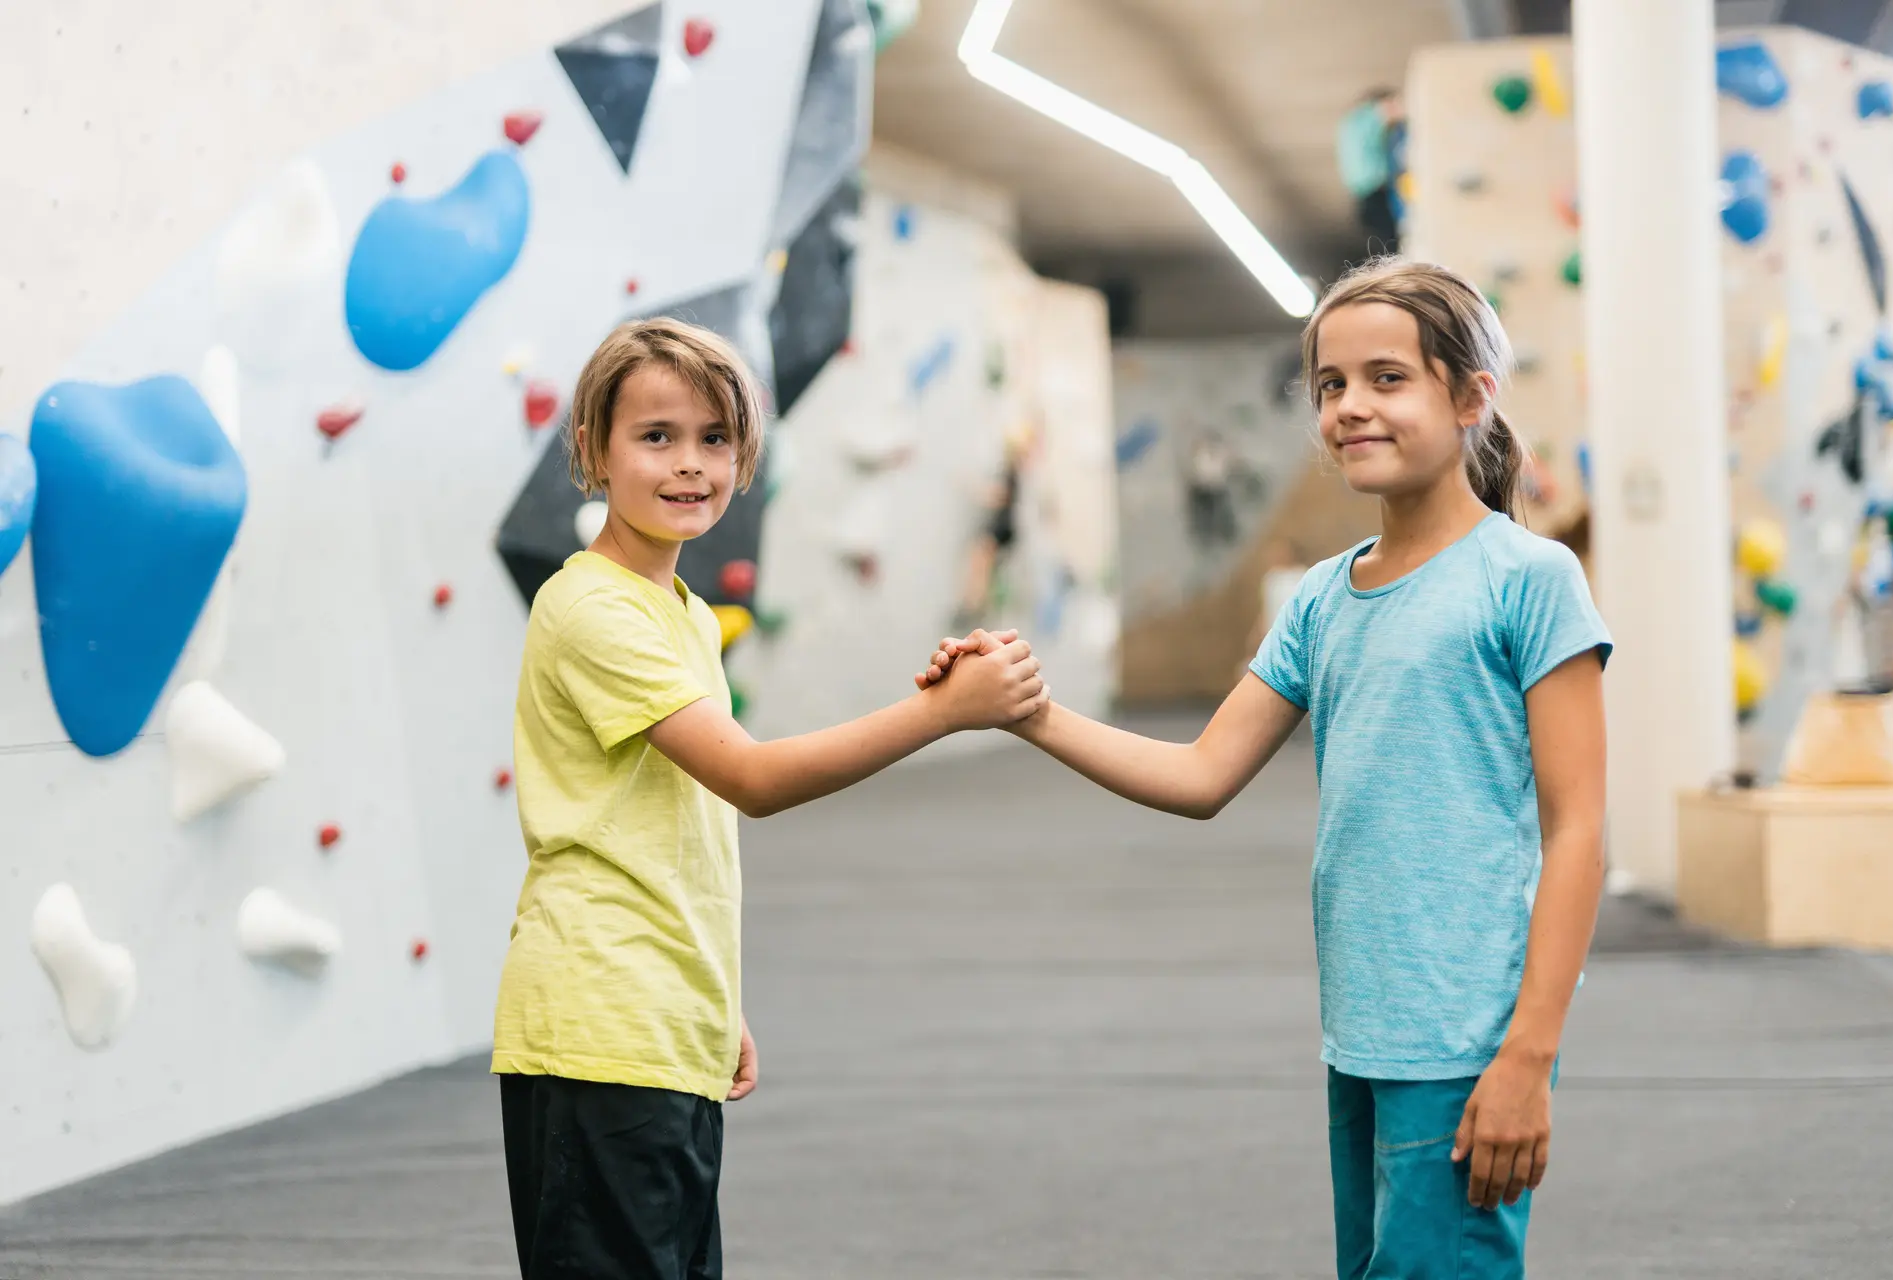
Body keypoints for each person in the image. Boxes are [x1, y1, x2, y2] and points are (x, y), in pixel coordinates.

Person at [922, 258, 1610, 1278]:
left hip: (1464, 1043)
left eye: (1387, 378)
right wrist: (1027, 712)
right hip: (1361, 1036)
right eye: (1331, 385)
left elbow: (1580, 829)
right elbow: (1202, 774)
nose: (1350, 407)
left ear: (1472, 396)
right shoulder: (1323, 599)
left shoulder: (1529, 579)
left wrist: (1528, 1056)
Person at [494, 317, 1047, 1279]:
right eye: (655, 436)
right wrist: (943, 714)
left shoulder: (685, 615)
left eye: (714, 439)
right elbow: (749, 778)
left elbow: (674, 823)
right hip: (598, 1029)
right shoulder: (588, 608)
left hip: (661, 1015)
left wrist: (710, 993)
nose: (690, 465)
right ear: (591, 449)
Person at [1338, 88, 1406, 253]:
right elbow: (1392, 114)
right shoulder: (1368, 117)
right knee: (1393, 245)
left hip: (1364, 198)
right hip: (1375, 192)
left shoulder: (1350, 124)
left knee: (1388, 246)